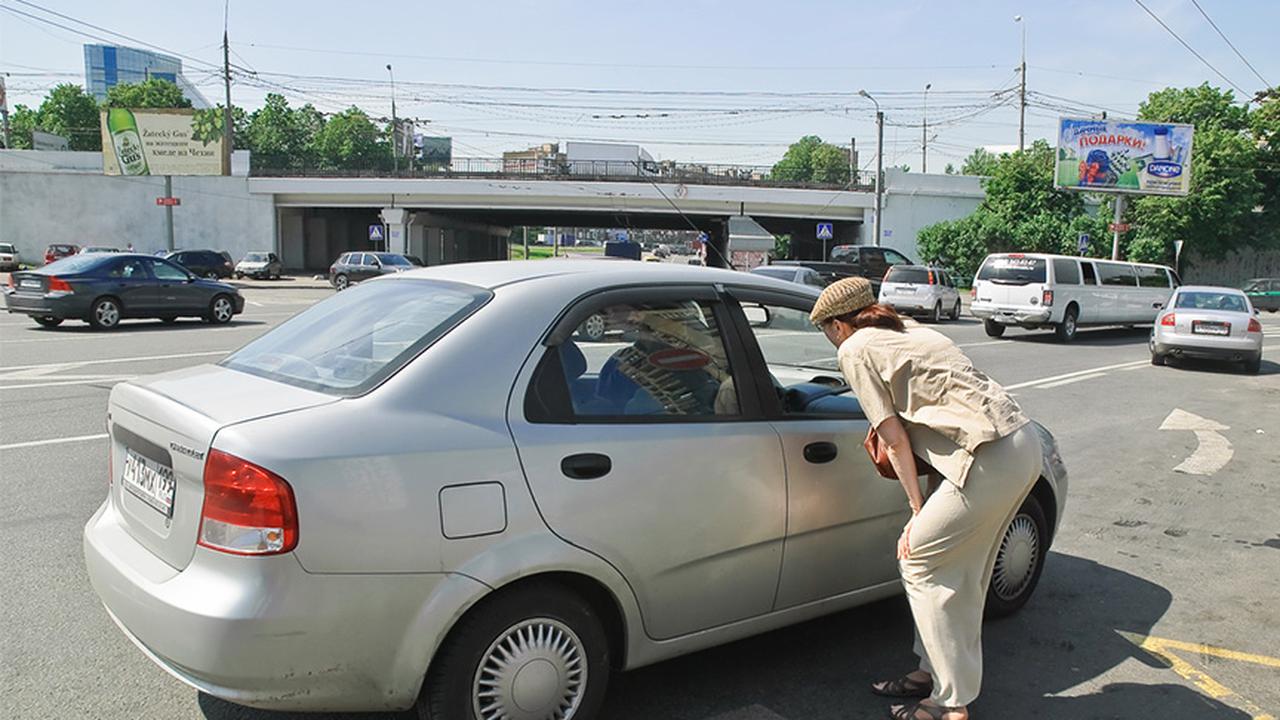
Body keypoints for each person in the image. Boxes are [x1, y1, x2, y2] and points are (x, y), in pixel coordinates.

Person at [809, 277, 1039, 720]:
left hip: (986, 456)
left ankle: (950, 705)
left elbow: (893, 439)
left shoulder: (854, 350)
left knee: (917, 561)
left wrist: (916, 511)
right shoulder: (911, 329)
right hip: (1020, 442)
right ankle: (931, 673)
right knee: (962, 572)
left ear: (837, 326)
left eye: (826, 332)